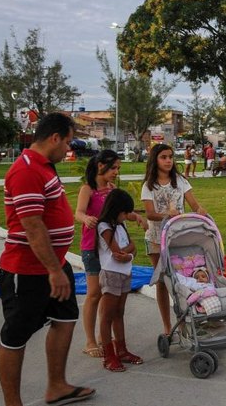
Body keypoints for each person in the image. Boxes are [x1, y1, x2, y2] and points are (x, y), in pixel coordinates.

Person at [0, 113, 95, 406]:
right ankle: (13, 403)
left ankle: (57, 386)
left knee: (65, 319)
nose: (68, 149)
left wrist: (57, 266)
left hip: (54, 264)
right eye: (67, 142)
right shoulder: (26, 170)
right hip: (28, 269)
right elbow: (33, 226)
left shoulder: (44, 167)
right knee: (15, 336)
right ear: (54, 138)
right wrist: (54, 270)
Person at [74, 149, 145, 359]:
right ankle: (90, 341)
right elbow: (78, 212)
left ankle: (106, 338)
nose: (116, 172)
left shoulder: (112, 189)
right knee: (94, 293)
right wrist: (86, 219)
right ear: (100, 166)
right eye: (113, 167)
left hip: (110, 249)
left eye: (118, 168)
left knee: (109, 295)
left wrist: (136, 217)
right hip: (92, 248)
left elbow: (120, 212)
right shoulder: (88, 189)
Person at [141, 143, 210, 337]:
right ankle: (167, 325)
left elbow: (194, 204)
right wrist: (167, 215)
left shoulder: (180, 181)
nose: (168, 161)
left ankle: (183, 322)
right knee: (163, 282)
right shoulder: (149, 186)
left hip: (178, 238)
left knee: (182, 279)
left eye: (170, 157)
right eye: (163, 157)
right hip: (157, 239)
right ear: (155, 160)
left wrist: (200, 211)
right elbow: (150, 214)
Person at [96, 188, 142, 372]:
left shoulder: (121, 225)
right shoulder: (104, 227)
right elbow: (117, 252)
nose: (126, 216)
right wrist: (129, 252)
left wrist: (128, 255)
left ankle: (122, 350)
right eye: (124, 212)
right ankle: (109, 356)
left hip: (125, 273)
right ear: (116, 210)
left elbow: (132, 247)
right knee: (107, 315)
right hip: (111, 274)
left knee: (119, 312)